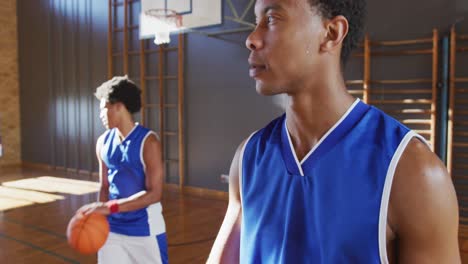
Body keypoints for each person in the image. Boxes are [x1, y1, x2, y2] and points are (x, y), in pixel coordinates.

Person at [208, 0, 460, 263]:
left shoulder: (412, 171)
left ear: (331, 34)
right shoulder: (248, 157)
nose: (251, 39)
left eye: (271, 19)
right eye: (255, 22)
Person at [77, 76, 168, 264]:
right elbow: (104, 186)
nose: (101, 114)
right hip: (113, 229)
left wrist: (110, 207)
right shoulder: (102, 142)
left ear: (118, 106)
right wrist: (99, 218)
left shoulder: (148, 142)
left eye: (103, 108)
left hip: (145, 228)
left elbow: (154, 194)